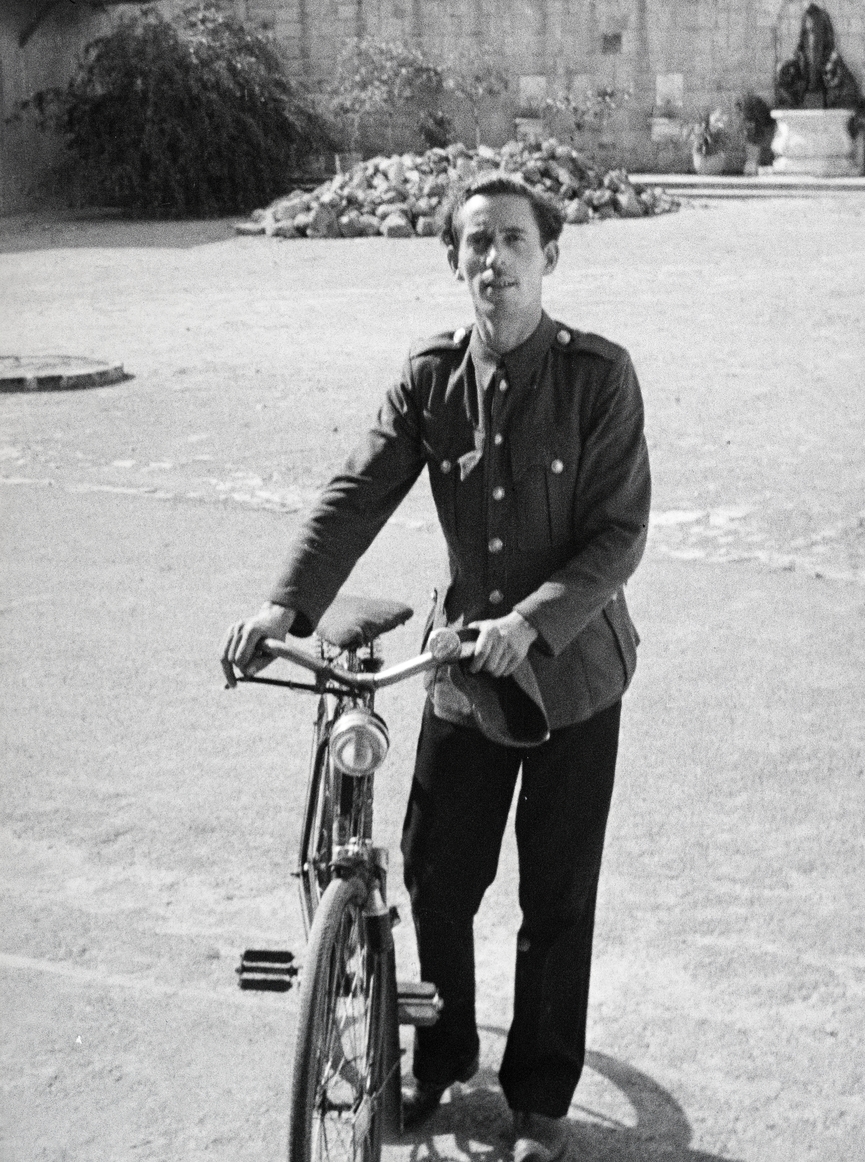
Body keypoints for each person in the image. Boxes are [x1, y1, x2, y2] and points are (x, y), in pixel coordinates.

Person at [221, 172, 651, 1162]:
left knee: (556, 892)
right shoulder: (430, 379)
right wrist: (282, 604)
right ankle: (442, 1051)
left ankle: (539, 1096)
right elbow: (357, 490)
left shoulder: (599, 376)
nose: (492, 260)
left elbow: (619, 532)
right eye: (473, 244)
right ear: (454, 261)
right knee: (437, 875)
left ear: (548, 255)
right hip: (462, 665)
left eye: (511, 240)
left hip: (574, 671)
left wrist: (532, 623)